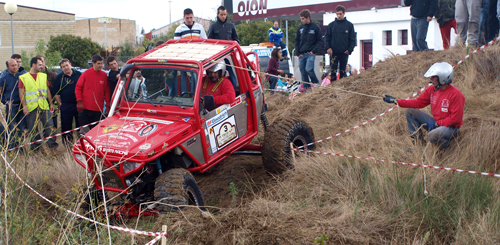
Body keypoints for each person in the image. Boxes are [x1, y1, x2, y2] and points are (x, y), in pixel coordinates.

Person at [383, 62, 464, 149]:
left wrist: (437, 124)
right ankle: (419, 146)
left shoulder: (456, 94)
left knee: (432, 136)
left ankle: (448, 147)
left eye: (434, 77)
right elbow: (418, 102)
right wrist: (397, 101)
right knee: (411, 112)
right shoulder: (432, 89)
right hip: (436, 123)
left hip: (451, 128)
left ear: (443, 77)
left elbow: (455, 119)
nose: (431, 79)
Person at [19, 57, 58, 150]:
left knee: (49, 125)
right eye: (40, 64)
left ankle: (52, 145)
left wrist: (51, 103)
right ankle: (36, 147)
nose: (42, 66)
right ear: (33, 65)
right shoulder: (23, 77)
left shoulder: (43, 76)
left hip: (44, 106)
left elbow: (47, 90)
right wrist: (24, 107)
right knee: (33, 128)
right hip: (31, 107)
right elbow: (21, 93)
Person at [75, 55, 110, 135]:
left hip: (98, 109)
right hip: (85, 108)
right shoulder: (86, 74)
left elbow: (107, 91)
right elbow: (78, 88)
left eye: (101, 63)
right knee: (85, 132)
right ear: (93, 63)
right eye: (98, 63)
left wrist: (108, 105)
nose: (100, 65)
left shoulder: (104, 75)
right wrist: (79, 101)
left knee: (96, 133)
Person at [174, 8, 205, 95]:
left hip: (197, 57)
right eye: (187, 18)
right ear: (184, 17)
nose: (189, 20)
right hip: (184, 57)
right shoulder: (179, 29)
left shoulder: (199, 27)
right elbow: (176, 45)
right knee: (184, 77)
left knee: (195, 77)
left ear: (193, 16)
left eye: (191, 17)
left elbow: (205, 40)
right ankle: (184, 96)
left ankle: (195, 96)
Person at [53, 59, 82, 145]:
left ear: (70, 64)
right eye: (63, 66)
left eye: (67, 65)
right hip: (66, 105)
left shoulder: (79, 75)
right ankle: (68, 145)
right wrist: (60, 104)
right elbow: (56, 93)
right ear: (61, 68)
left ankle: (80, 144)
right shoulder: (59, 78)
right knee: (66, 127)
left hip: (78, 105)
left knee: (80, 126)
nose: (66, 68)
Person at [325, 5, 357, 82]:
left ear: (344, 13)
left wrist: (350, 50)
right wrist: (328, 48)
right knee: (333, 71)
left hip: (344, 52)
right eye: (337, 14)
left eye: (340, 14)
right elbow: (327, 38)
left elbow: (352, 39)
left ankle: (341, 87)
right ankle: (333, 87)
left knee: (342, 71)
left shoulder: (349, 25)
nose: (339, 15)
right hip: (333, 52)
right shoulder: (331, 25)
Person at [0, 59, 26, 149]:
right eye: (12, 65)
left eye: (16, 65)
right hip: (11, 107)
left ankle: (20, 149)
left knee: (21, 129)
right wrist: (5, 102)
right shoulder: (3, 79)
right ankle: (12, 148)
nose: (15, 67)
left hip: (22, 106)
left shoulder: (23, 77)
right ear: (7, 67)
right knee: (12, 129)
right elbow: (0, 94)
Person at [295, 9, 323, 90]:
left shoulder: (315, 27)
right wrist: (297, 52)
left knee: (309, 69)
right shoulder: (300, 28)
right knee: (303, 74)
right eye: (301, 18)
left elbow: (319, 40)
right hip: (301, 54)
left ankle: (316, 83)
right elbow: (296, 40)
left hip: (310, 53)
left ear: (308, 18)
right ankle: (308, 90)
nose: (301, 20)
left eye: (303, 18)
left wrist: (314, 51)